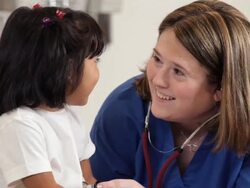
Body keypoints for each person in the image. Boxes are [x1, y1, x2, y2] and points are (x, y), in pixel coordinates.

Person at [89, 0, 250, 188]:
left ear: (221, 88)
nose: (158, 80)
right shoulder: (125, 109)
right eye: (157, 59)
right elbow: (90, 181)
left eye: (178, 72)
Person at [0, 4, 105, 188]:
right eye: (94, 60)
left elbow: (88, 180)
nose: (98, 70)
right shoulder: (20, 125)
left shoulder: (69, 116)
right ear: (67, 68)